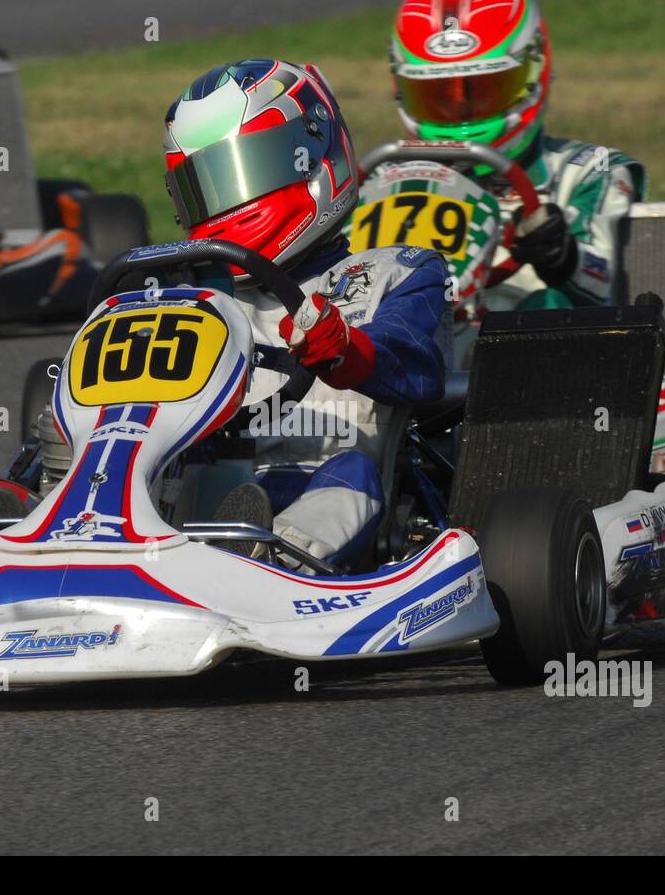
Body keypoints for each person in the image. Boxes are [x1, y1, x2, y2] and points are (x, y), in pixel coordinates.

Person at [164, 59, 453, 567]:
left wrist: (347, 352)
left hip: (336, 480)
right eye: (204, 185)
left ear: (314, 159)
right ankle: (37, 518)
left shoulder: (398, 271)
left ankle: (268, 561)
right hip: (212, 481)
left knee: (349, 477)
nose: (223, 201)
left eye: (239, 171)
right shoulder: (186, 296)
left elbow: (417, 368)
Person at [390, 0, 646, 308]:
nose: (461, 112)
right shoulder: (383, 182)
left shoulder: (589, 170)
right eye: (438, 97)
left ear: (533, 70)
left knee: (548, 306)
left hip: (521, 346)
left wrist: (563, 256)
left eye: (484, 92)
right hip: (403, 342)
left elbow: (606, 282)